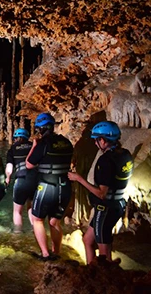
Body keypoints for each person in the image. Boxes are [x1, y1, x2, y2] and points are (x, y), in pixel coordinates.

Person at [68, 121, 132, 265]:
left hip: (105, 208)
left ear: (102, 140)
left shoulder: (105, 160)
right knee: (88, 240)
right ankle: (91, 271)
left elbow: (101, 193)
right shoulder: (125, 154)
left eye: (96, 140)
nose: (96, 144)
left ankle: (106, 281)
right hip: (118, 204)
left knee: (104, 256)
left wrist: (78, 178)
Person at [26, 112, 73, 261]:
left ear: (40, 129)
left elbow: (29, 164)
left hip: (47, 187)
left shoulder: (43, 144)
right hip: (65, 187)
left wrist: (34, 146)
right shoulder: (66, 142)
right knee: (54, 221)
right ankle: (57, 253)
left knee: (37, 219)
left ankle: (45, 254)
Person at [6, 128, 37, 233]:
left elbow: (9, 167)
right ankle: (36, 232)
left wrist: (8, 177)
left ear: (15, 138)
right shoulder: (33, 145)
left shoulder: (12, 149)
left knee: (17, 211)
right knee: (31, 208)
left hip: (21, 180)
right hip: (36, 180)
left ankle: (18, 234)